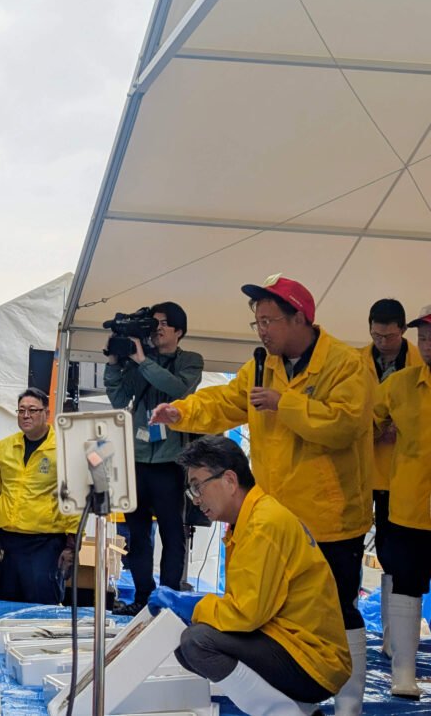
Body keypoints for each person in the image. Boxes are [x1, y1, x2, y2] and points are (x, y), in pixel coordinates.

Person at [151, 275, 372, 715]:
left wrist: (284, 403)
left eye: (269, 320)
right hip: (275, 510)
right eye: (257, 322)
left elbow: (346, 423)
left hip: (329, 514)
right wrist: (182, 412)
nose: (263, 330)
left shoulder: (345, 364)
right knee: (271, 612)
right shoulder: (260, 365)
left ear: (299, 319)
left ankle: (349, 705)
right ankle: (292, 699)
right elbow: (227, 400)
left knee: (338, 608)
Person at [150, 436, 349, 716]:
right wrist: (195, 604)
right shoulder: (249, 520)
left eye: (198, 486)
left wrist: (194, 606)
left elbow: (246, 613)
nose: (195, 499)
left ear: (230, 480)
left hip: (313, 658)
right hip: (290, 640)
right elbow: (249, 601)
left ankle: (286, 713)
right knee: (188, 648)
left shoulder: (263, 524)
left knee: (197, 643)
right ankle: (301, 709)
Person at [104, 301, 203, 615]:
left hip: (170, 462)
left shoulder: (190, 360)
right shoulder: (138, 359)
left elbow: (177, 390)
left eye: (163, 324)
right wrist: (113, 361)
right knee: (138, 534)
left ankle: (169, 600)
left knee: (172, 534)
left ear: (179, 331)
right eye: (153, 324)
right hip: (137, 458)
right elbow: (119, 398)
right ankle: (143, 598)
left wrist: (143, 361)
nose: (156, 329)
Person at [372, 304, 431, 699]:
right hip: (409, 506)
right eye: (423, 336)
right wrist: (379, 432)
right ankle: (403, 673)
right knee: (406, 586)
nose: (427, 343)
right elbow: (365, 423)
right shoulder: (398, 385)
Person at [0, 388, 80, 604]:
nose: (26, 415)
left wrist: (72, 545)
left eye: (33, 410)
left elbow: (75, 497)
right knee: (7, 603)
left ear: (46, 414)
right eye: (21, 410)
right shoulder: (5, 447)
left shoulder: (63, 447)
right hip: (9, 542)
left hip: (44, 543)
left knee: (41, 607)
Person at [361, 298, 420, 657]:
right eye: (377, 335)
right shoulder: (354, 362)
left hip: (400, 476)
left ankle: (392, 638)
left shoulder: (418, 366)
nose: (383, 341)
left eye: (390, 336)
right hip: (360, 469)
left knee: (394, 554)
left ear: (402, 331)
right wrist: (371, 427)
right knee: (348, 548)